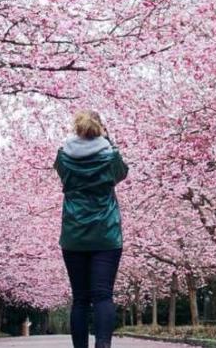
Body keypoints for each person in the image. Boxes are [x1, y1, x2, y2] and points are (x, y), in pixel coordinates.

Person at [55, 110, 129, 348]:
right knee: (103, 295)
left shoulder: (64, 156)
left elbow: (62, 174)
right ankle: (103, 345)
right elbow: (122, 173)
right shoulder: (110, 157)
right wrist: (110, 142)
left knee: (80, 299)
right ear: (101, 129)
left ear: (76, 128)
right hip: (106, 234)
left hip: (74, 235)